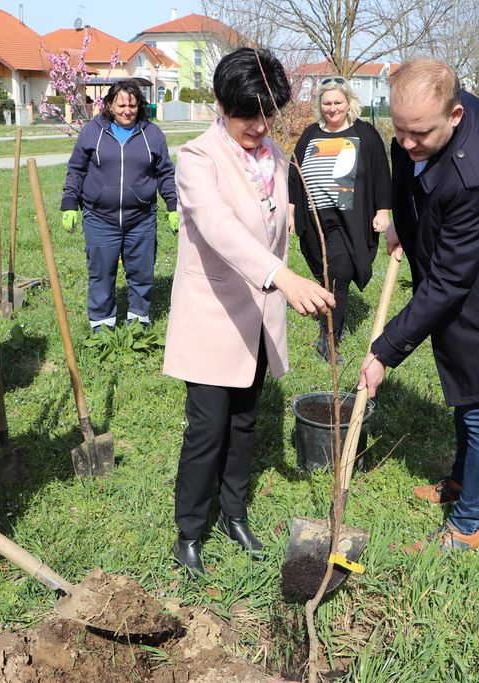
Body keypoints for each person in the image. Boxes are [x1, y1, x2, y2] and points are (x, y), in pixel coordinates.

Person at [358, 58, 479, 552]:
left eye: (418, 133)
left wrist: (384, 350)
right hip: (463, 273)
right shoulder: (424, 125)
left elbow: (448, 281)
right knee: (465, 398)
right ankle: (462, 480)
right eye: (398, 130)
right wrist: (402, 222)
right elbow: (407, 173)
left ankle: (468, 527)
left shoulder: (478, 176)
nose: (405, 142)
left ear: (456, 116)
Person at [164, 48, 335, 573]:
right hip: (213, 316)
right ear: (222, 104)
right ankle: (189, 532)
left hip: (259, 319)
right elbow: (218, 228)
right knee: (206, 430)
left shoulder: (278, 159)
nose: (259, 126)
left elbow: (282, 224)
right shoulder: (197, 159)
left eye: (268, 113)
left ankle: (234, 514)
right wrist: (281, 277)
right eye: (247, 114)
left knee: (246, 424)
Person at [61, 80, 177, 332]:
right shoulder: (93, 131)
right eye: (121, 104)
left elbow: (165, 172)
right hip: (100, 218)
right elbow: (77, 169)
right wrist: (70, 202)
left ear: (140, 106)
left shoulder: (152, 134)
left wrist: (173, 205)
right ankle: (102, 326)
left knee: (142, 272)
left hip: (141, 219)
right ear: (110, 105)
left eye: (132, 105)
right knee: (101, 274)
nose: (127, 110)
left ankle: (138, 321)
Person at [289, 77, 391, 364]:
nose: (333, 108)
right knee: (327, 274)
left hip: (350, 221)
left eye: (338, 102)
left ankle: (329, 339)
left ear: (348, 103)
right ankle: (330, 317)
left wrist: (382, 210)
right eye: (327, 103)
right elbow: (293, 173)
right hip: (315, 220)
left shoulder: (365, 133)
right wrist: (290, 209)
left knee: (340, 274)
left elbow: (382, 172)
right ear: (320, 106)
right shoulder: (310, 133)